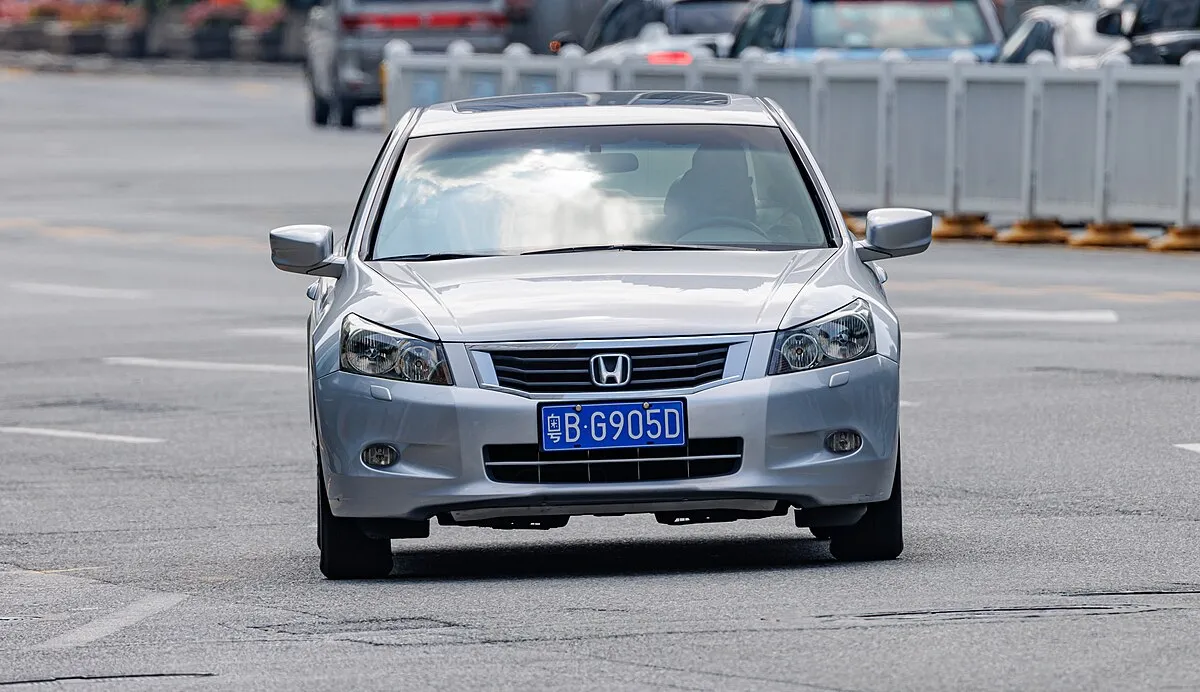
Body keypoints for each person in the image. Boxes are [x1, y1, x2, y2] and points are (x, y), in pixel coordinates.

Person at [662, 143, 757, 234]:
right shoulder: (658, 241)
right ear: (692, 186)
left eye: (732, 174)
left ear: (747, 184)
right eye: (710, 174)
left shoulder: (770, 235)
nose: (722, 183)